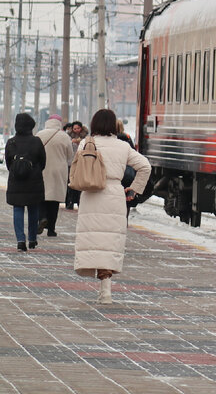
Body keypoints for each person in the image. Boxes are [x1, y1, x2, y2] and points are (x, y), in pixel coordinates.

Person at [73, 109, 151, 304]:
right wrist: (134, 189)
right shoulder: (122, 146)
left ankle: (100, 283)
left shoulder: (86, 143)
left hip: (91, 194)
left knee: (93, 240)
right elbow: (145, 166)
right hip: (115, 194)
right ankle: (106, 288)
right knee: (109, 243)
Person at [6, 113, 47, 252]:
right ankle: (32, 238)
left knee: (18, 209)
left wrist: (17, 171)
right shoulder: (37, 141)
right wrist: (34, 170)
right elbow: (43, 162)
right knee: (33, 209)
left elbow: (8, 163)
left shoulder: (11, 142)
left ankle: (20, 240)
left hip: (16, 181)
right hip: (34, 180)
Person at [36, 116, 74, 238]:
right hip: (59, 170)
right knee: (55, 200)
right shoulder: (64, 136)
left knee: (42, 196)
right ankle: (51, 229)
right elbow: (70, 156)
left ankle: (42, 218)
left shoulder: (40, 134)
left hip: (42, 168)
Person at [64, 121, 87, 210]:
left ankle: (79, 202)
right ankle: (69, 202)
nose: (76, 130)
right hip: (70, 162)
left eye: (78, 128)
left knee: (80, 184)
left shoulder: (85, 137)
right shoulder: (68, 137)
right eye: (74, 129)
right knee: (70, 183)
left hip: (81, 163)